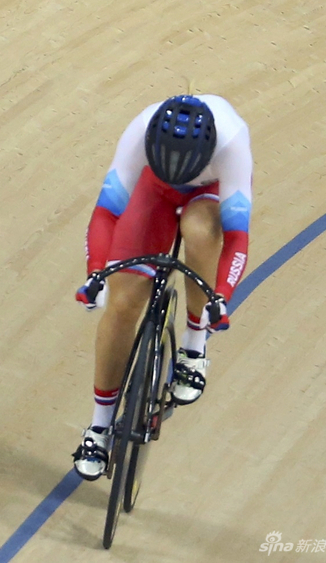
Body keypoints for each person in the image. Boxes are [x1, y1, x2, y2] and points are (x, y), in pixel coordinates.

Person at [72, 94, 252, 480]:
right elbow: (106, 212)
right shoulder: (140, 130)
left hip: (209, 191)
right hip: (152, 186)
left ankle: (193, 344)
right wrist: (95, 272)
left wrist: (222, 297)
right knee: (121, 305)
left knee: (199, 230)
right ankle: (99, 428)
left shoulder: (233, 142)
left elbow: (237, 238)